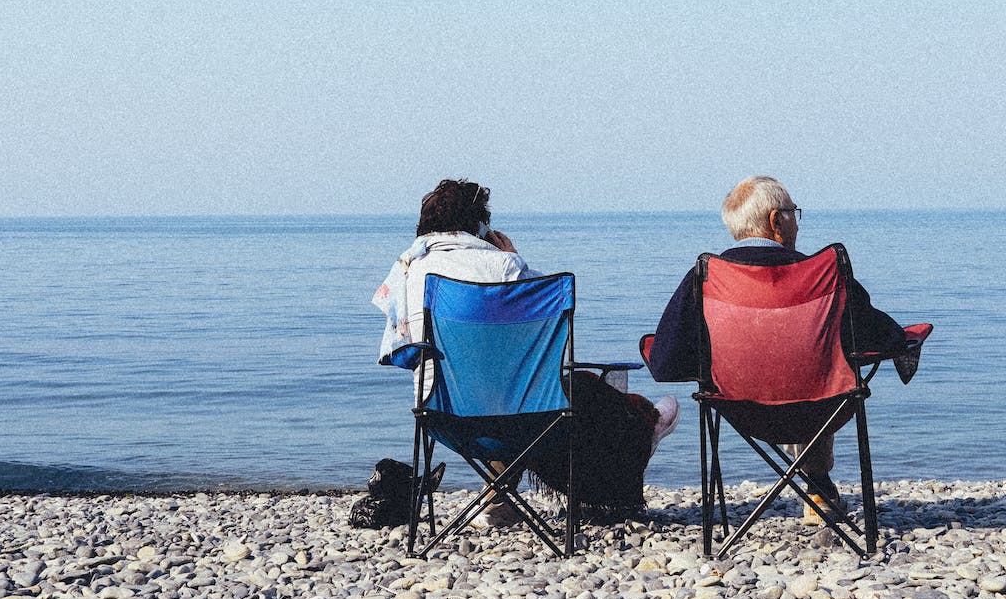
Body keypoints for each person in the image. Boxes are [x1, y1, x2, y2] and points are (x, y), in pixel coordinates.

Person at [373, 178, 678, 519]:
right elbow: (549, 300)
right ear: (480, 225)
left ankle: (497, 501)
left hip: (440, 414)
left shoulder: (408, 270)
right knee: (577, 392)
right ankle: (640, 437)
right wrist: (513, 258)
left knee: (496, 388)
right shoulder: (505, 266)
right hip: (524, 418)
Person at [646, 175, 907, 523]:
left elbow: (664, 364)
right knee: (825, 369)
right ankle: (818, 487)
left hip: (741, 411)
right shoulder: (822, 273)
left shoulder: (706, 276)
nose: (796, 220)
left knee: (798, 368)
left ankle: (812, 490)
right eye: (793, 211)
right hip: (822, 409)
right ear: (776, 220)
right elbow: (882, 337)